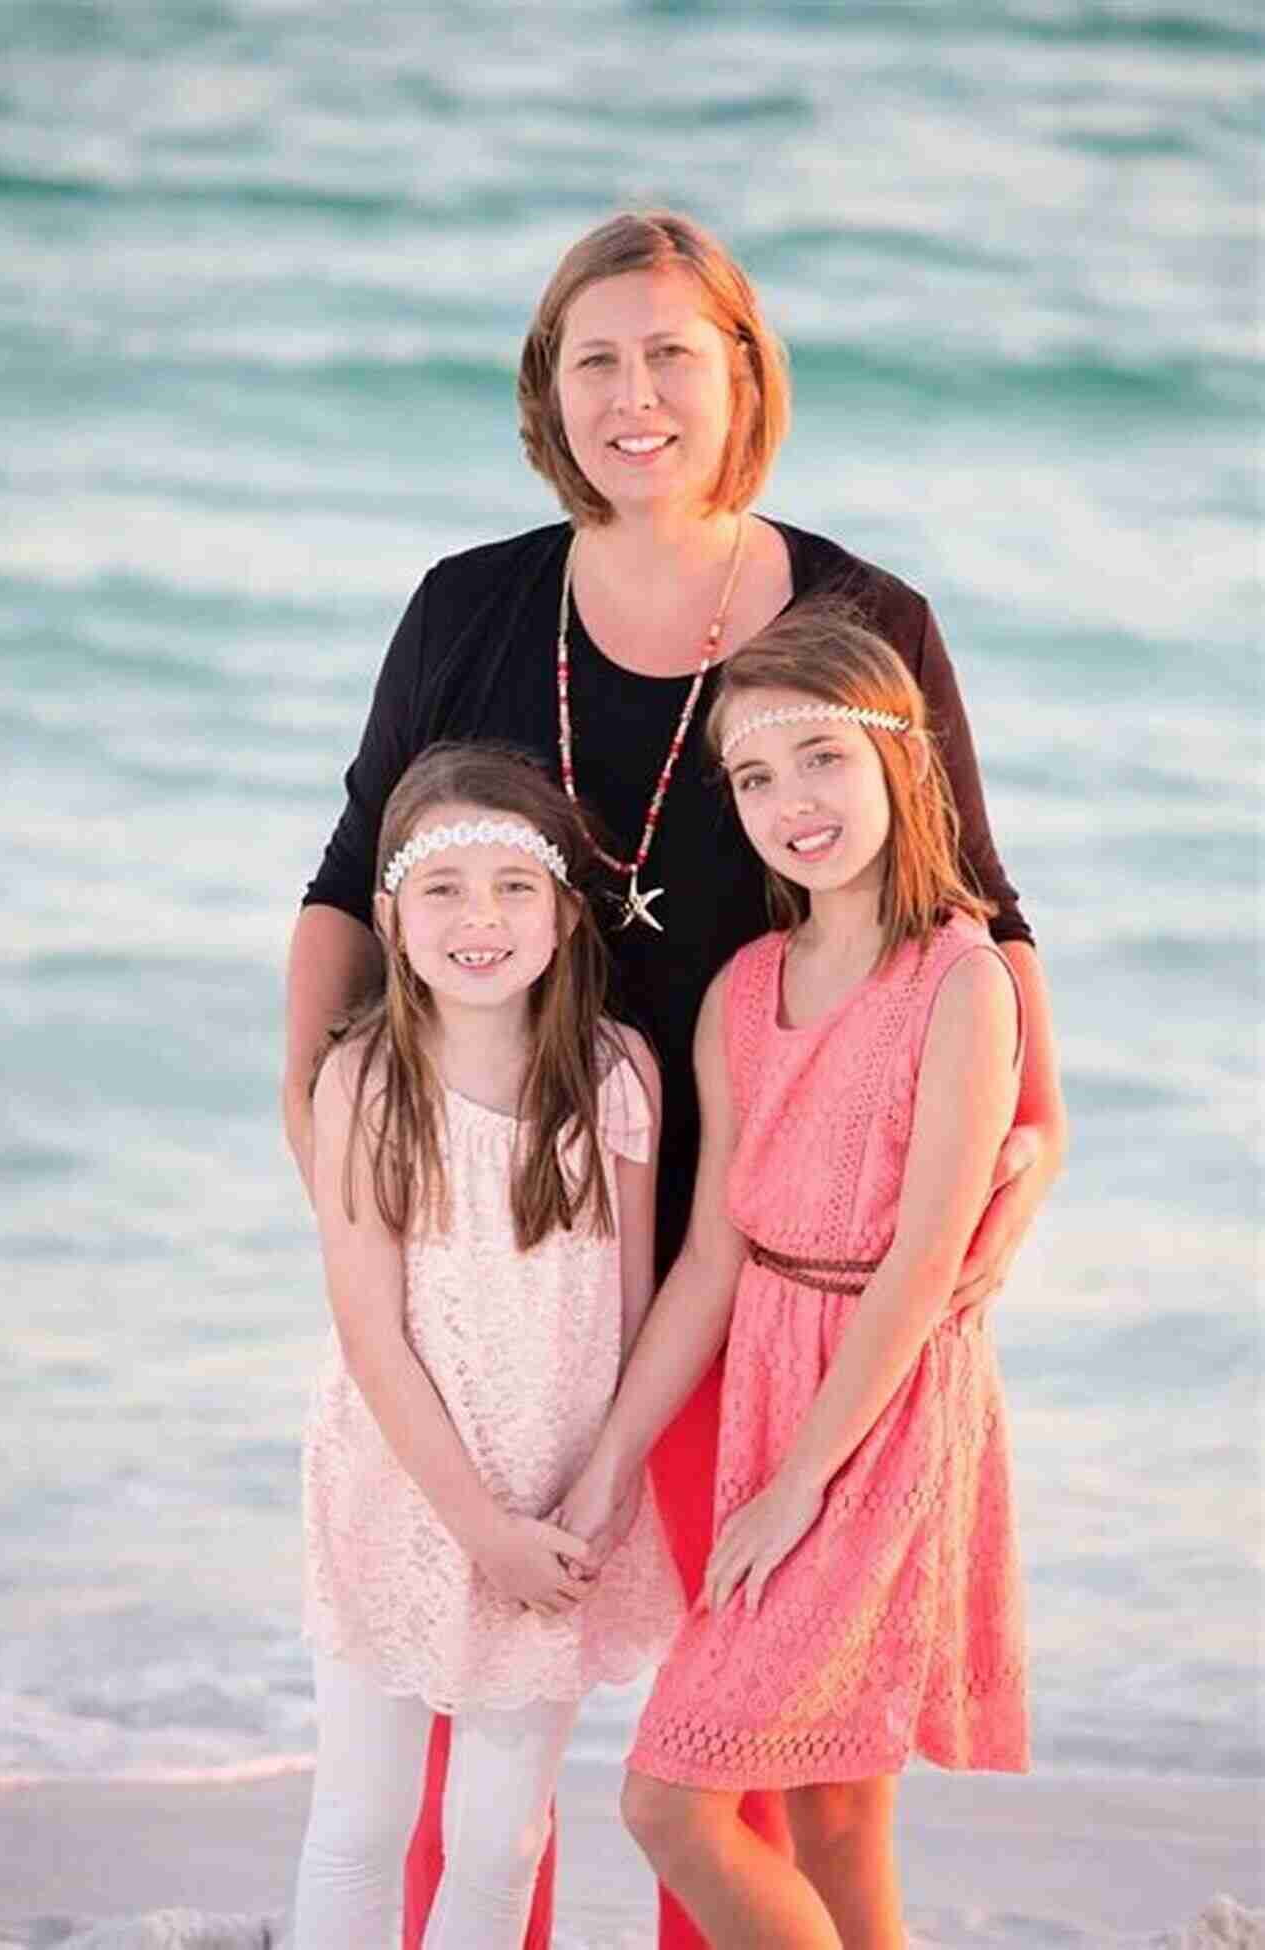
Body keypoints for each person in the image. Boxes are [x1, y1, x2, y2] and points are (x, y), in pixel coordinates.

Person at [282, 210, 1067, 1950]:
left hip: (778, 1242)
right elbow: (349, 886)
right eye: (596, 357)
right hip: (519, 1228)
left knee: (747, 1736)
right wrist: (318, 1136)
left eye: (674, 355)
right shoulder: (472, 607)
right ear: (547, 391)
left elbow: (982, 903)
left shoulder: (870, 618)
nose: (636, 396)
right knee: (493, 1693)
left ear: (746, 377)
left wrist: (1043, 1115)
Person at [558, 604, 1032, 1949]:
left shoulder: (961, 982)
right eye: (756, 776)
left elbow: (924, 1265)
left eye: (819, 757)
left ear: (898, 757)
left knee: (669, 1800)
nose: (791, 802)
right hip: (770, 1370)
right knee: (828, 1809)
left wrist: (798, 1482)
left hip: (880, 1421)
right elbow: (712, 1257)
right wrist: (610, 1464)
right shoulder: (744, 989)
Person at [291, 742, 683, 1950]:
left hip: (560, 1503)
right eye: (443, 888)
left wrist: (605, 1483)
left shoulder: (616, 1072)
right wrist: (475, 1530)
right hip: (406, 1493)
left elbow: (633, 1306)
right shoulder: (365, 1080)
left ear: (565, 915)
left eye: (514, 886)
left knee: (501, 1832)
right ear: (391, 916)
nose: (481, 918)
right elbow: (371, 1336)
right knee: (360, 1815)